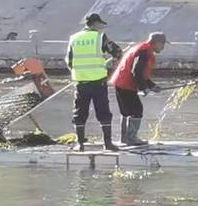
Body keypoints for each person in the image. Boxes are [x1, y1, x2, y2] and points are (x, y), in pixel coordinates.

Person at [66, 13, 123, 152]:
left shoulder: (73, 38)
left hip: (81, 82)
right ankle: (108, 144)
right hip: (98, 82)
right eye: (100, 24)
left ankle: (80, 144)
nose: (101, 26)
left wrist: (79, 72)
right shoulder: (100, 37)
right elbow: (117, 52)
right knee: (103, 112)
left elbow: (69, 61)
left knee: (79, 113)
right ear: (95, 24)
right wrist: (112, 61)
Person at [110, 32, 167, 145]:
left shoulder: (141, 48)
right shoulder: (145, 51)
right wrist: (143, 88)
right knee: (137, 111)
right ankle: (131, 139)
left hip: (120, 81)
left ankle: (125, 139)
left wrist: (152, 86)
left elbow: (141, 73)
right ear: (156, 43)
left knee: (126, 111)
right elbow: (136, 71)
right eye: (163, 44)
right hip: (126, 83)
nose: (163, 47)